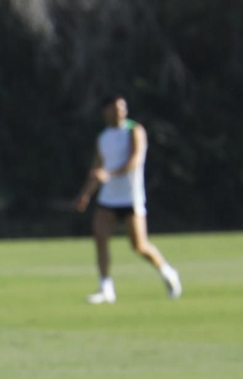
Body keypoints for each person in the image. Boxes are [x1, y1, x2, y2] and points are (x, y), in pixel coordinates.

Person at [73, 95, 182, 303]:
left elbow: (134, 161)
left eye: (122, 108)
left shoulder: (134, 131)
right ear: (105, 111)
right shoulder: (103, 138)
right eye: (115, 108)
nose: (120, 112)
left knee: (139, 246)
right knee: (100, 239)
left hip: (130, 198)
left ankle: (168, 272)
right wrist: (85, 195)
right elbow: (96, 168)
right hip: (108, 199)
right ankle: (106, 288)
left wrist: (109, 175)